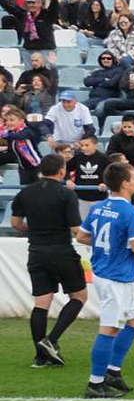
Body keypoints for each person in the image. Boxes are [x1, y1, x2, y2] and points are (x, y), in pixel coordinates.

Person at [77, 162, 134, 398]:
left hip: (110, 273)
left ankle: (113, 372)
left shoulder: (98, 207)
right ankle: (95, 382)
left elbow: (82, 236)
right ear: (125, 183)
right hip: (114, 277)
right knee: (109, 328)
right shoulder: (131, 212)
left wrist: (111, 245)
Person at [9, 153, 87, 367]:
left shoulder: (25, 193)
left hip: (36, 252)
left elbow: (16, 223)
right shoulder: (66, 194)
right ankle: (50, 341)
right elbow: (75, 228)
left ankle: (40, 356)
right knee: (79, 296)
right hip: (61, 251)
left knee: (41, 303)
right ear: (62, 171)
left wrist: (32, 231)